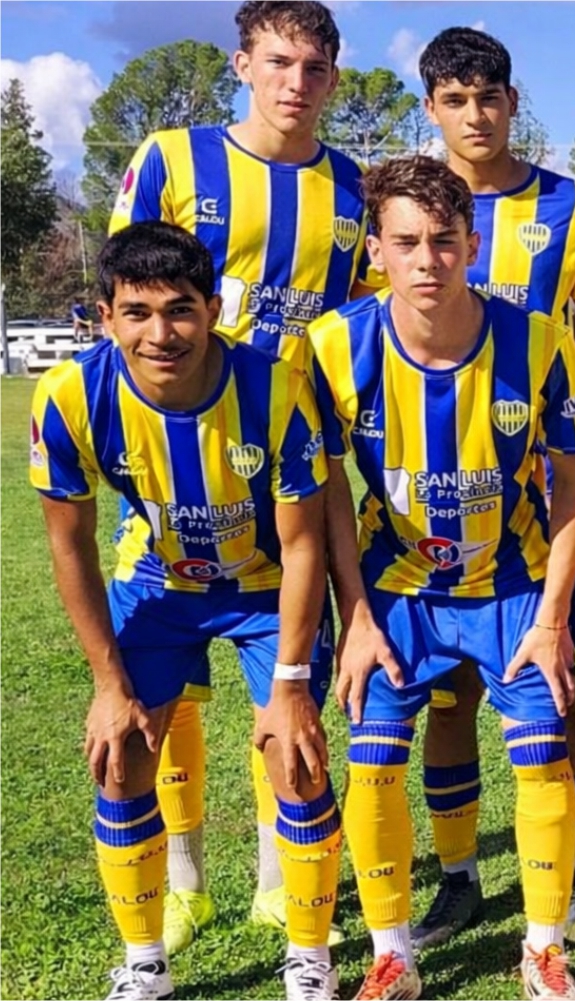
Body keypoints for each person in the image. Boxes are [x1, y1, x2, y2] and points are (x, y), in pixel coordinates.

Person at [106, 0, 378, 952]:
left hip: (293, 466)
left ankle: (276, 879)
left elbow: (359, 317)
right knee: (170, 690)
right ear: (241, 65)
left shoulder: (354, 186)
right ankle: (182, 879)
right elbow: (128, 287)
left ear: (333, 77)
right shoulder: (174, 159)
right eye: (277, 62)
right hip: (177, 460)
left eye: (313, 67)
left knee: (288, 681)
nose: (294, 83)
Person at [307, 156, 575, 1001]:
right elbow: (326, 490)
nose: (426, 258)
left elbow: (574, 486)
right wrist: (355, 615)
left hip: (512, 586)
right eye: (406, 242)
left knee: (542, 760)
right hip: (394, 593)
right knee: (373, 765)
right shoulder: (332, 345)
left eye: (443, 239)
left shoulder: (537, 339)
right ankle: (391, 954)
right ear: (376, 251)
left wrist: (552, 618)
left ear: (472, 244)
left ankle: (543, 949)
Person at [32, 222, 340, 1001]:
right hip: (158, 587)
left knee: (296, 759)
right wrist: (109, 683)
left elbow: (304, 544)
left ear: (213, 310)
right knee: (121, 756)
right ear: (105, 316)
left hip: (267, 588)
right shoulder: (71, 395)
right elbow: (70, 545)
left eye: (180, 310)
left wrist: (291, 684)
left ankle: (309, 959)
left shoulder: (274, 388)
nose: (160, 333)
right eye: (137, 312)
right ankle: (144, 963)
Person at [405, 24, 575, 952]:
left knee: (552, 679)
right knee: (450, 690)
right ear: (432, 108)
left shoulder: (571, 205)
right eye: (455, 100)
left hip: (537, 497)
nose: (475, 115)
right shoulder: (405, 200)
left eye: (489, 98)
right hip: (421, 494)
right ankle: (458, 875)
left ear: (511, 101)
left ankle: (568, 869)